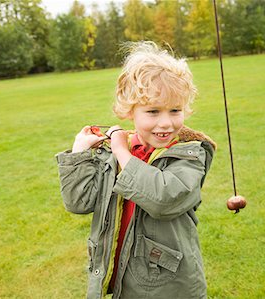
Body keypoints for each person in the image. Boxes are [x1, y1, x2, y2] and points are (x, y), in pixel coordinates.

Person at [56, 41, 216, 299]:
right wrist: (80, 154)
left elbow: (165, 198)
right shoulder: (118, 149)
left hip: (170, 286)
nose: (165, 122)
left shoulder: (189, 154)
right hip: (124, 275)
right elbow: (79, 202)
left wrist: (122, 153)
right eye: (153, 111)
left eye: (175, 110)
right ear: (130, 111)